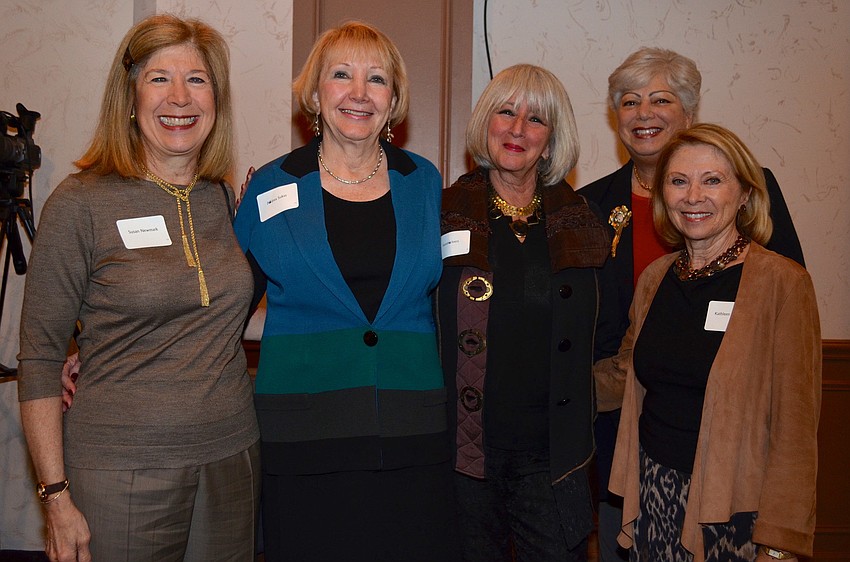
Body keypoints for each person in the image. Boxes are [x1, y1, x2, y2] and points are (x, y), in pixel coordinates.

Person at [16, 14, 260, 562]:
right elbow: (38, 360)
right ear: (128, 97)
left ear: (216, 99)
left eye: (197, 79)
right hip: (119, 468)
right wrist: (55, 498)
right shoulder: (80, 203)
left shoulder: (220, 198)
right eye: (158, 78)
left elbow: (216, 312)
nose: (179, 97)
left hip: (231, 456)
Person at [232, 21, 456, 562]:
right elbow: (224, 304)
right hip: (304, 429)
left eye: (376, 79)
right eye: (341, 75)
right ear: (314, 93)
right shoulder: (271, 185)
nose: (358, 93)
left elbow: (450, 303)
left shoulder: (425, 181)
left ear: (394, 100)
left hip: (410, 426)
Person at [578, 47, 806, 562]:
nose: (644, 113)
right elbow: (602, 341)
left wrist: (781, 537)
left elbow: (788, 377)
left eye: (660, 99)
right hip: (637, 447)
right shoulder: (598, 212)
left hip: (735, 468)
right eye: (630, 102)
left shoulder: (776, 273)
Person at [437, 64, 611, 562]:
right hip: (463, 454)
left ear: (552, 139)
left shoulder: (583, 223)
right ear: (484, 124)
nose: (517, 129)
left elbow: (612, 330)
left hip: (554, 458)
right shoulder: (441, 211)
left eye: (535, 120)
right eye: (506, 112)